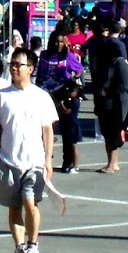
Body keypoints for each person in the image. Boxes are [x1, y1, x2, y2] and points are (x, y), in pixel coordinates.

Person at [0, 47, 58, 253]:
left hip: (34, 162)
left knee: (31, 203)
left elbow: (48, 131)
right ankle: (19, 249)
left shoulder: (41, 97)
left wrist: (48, 160)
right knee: (14, 207)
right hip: (9, 160)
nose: (14, 68)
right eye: (12, 64)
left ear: (31, 68)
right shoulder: (2, 96)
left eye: (19, 64)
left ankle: (33, 246)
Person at [35, 31, 85, 173]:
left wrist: (75, 77)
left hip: (65, 96)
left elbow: (80, 70)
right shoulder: (44, 55)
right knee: (43, 129)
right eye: (56, 41)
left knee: (67, 131)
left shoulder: (68, 56)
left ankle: (68, 162)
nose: (59, 44)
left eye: (62, 42)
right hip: (47, 96)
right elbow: (40, 75)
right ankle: (44, 159)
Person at [93, 23, 128, 173]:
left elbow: (127, 84)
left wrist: (109, 91)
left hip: (117, 102)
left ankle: (113, 163)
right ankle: (110, 162)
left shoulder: (120, 63)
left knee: (114, 131)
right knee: (106, 132)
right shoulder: (105, 65)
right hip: (105, 102)